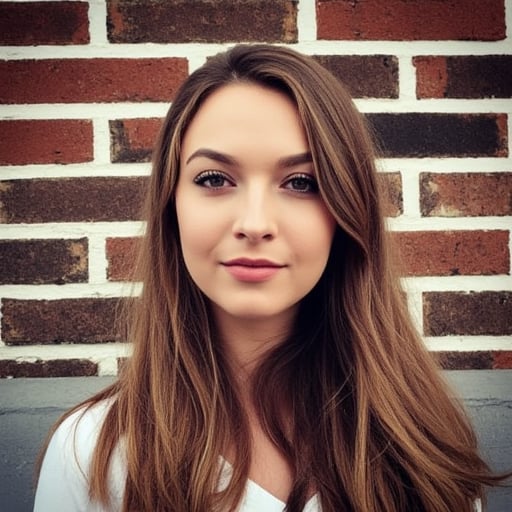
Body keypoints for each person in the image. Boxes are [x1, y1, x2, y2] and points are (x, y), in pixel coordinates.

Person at [34, 44, 505, 512]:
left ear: (346, 213)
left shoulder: (421, 447)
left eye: (301, 183)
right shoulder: (92, 452)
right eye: (214, 179)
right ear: (171, 206)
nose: (255, 223)